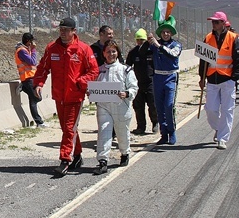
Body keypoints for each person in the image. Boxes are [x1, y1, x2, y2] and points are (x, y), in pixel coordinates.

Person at [32, 17, 99, 176]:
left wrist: (80, 82)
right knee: (67, 128)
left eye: (66, 30)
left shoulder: (83, 49)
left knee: (69, 128)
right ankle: (77, 155)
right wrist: (39, 84)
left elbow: (93, 71)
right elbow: (43, 68)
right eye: (61, 29)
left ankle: (65, 159)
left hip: (75, 97)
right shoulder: (52, 48)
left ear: (74, 31)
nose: (62, 32)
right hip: (59, 96)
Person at [198, 12, 239, 150]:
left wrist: (233, 79)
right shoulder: (208, 38)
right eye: (213, 22)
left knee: (227, 110)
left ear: (224, 23)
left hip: (227, 80)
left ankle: (222, 138)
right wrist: (202, 77)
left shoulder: (233, 38)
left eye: (217, 22)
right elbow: (203, 60)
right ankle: (219, 128)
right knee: (210, 109)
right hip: (212, 79)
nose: (214, 24)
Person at [94, 40, 138, 175]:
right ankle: (102, 161)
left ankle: (125, 153)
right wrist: (91, 92)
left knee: (122, 133)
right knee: (104, 133)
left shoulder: (126, 69)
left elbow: (134, 87)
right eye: (108, 51)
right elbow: (93, 87)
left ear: (117, 53)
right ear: (103, 53)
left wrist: (127, 93)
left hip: (121, 106)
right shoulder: (98, 70)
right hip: (104, 107)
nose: (111, 54)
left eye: (113, 51)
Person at [148, 15, 182, 144]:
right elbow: (144, 52)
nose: (166, 34)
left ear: (171, 33)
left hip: (171, 76)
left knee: (169, 105)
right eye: (163, 32)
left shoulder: (176, 45)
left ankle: (172, 131)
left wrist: (159, 46)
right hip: (158, 77)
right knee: (159, 107)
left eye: (168, 31)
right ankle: (163, 134)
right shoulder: (155, 44)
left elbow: (173, 54)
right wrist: (148, 40)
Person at [125, 29, 158, 135]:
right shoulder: (133, 52)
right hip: (137, 83)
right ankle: (141, 127)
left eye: (142, 40)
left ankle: (155, 123)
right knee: (138, 106)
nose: (140, 42)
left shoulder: (151, 51)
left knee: (153, 104)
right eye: (138, 40)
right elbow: (128, 67)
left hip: (151, 82)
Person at [14, 32, 45, 127]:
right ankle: (23, 87)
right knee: (37, 98)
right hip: (27, 79)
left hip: (31, 77)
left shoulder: (26, 49)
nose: (33, 43)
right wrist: (34, 49)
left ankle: (39, 122)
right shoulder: (22, 51)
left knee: (33, 101)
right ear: (28, 41)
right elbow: (32, 62)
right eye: (32, 41)